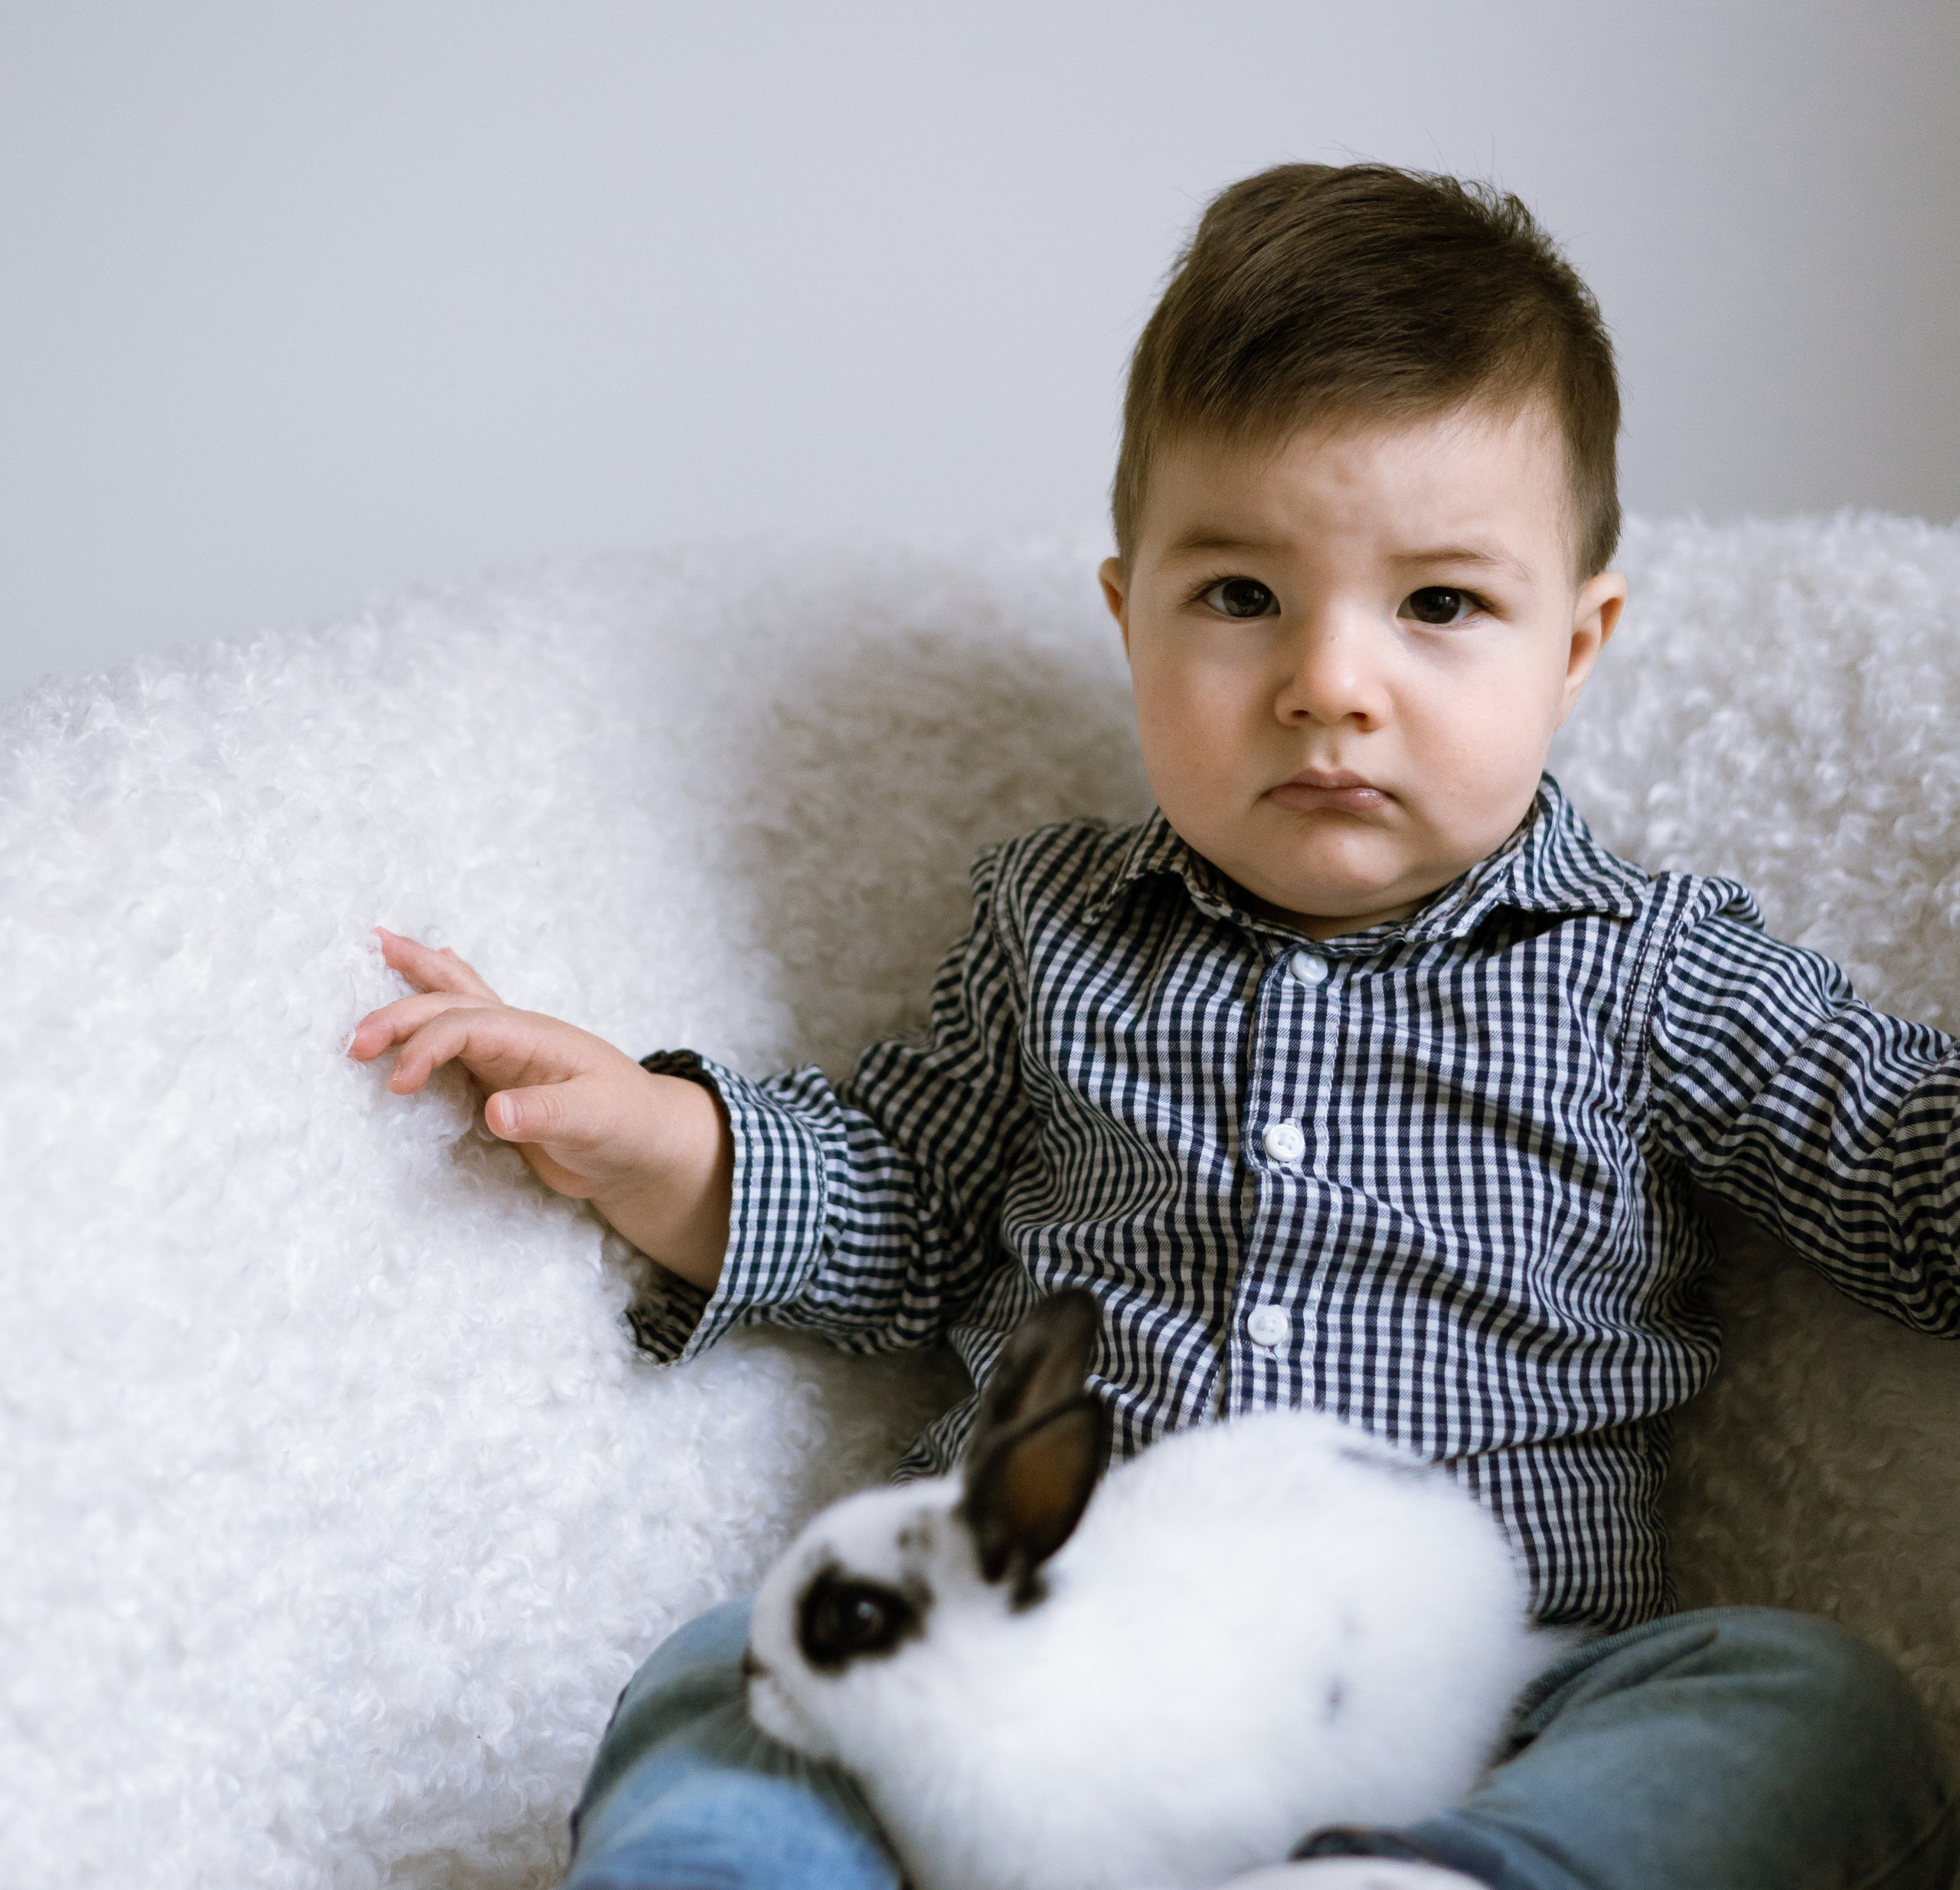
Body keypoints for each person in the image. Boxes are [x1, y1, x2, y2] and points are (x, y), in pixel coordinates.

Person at [345, 162, 1960, 1890]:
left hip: (1473, 1692)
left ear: (1574, 646)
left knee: (1801, 1695)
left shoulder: (1646, 964)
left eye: (1436, 605)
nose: (1328, 679)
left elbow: (1889, 1155)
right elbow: (897, 1203)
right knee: (725, 1668)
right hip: (1028, 1654)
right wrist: (665, 1141)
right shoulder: (1055, 930)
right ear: (1128, 619)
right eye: (1240, 595)